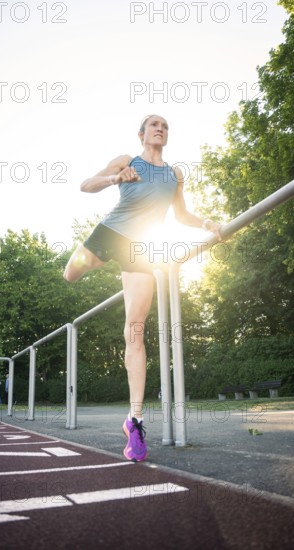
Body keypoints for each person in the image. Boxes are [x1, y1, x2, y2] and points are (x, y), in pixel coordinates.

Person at [63, 114, 221, 462]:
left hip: (141, 248)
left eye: (165, 125)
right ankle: (91, 260)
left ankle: (134, 419)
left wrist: (208, 223)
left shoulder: (174, 174)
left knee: (134, 329)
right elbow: (85, 184)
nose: (160, 128)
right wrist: (113, 178)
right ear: (142, 134)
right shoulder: (127, 160)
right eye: (154, 125)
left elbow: (181, 216)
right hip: (110, 233)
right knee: (68, 275)